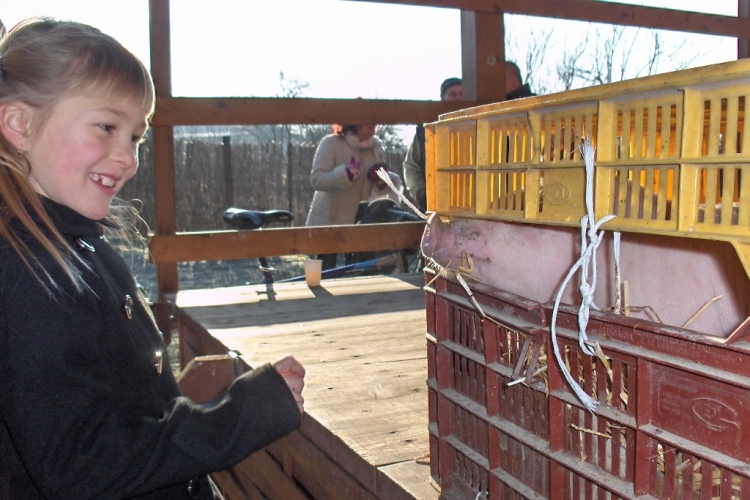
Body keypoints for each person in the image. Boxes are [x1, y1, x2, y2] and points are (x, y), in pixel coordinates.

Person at [0, 18, 305, 499]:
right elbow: (81, 466)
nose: (128, 158)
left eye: (135, 137)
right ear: (20, 124)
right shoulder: (27, 276)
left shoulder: (78, 246)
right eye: (106, 127)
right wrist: (242, 414)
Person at [306, 123, 402, 270]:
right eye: (367, 121)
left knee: (357, 274)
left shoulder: (376, 147)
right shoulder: (330, 143)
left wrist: (380, 182)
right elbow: (316, 179)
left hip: (361, 223)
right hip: (329, 221)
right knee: (324, 274)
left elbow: (379, 190)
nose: (372, 125)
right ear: (353, 123)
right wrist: (345, 174)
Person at [403, 77, 462, 213]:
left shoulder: (480, 128)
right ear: (443, 100)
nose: (458, 98)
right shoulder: (426, 133)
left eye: (462, 94)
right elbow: (411, 166)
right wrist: (422, 194)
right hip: (435, 210)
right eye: (453, 94)